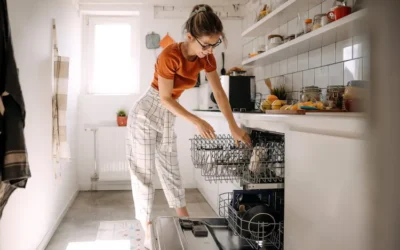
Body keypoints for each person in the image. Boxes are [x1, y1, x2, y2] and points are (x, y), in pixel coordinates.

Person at [125, 4, 251, 249]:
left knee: (171, 168)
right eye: (205, 45)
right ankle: (148, 230)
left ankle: (186, 220)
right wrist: (196, 120)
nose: (209, 51)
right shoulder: (169, 55)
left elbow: (219, 93)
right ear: (189, 37)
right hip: (146, 113)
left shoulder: (207, 57)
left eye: (214, 44)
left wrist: (233, 126)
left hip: (168, 115)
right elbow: (164, 98)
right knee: (143, 175)